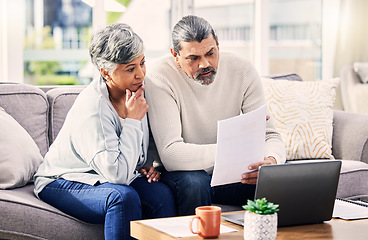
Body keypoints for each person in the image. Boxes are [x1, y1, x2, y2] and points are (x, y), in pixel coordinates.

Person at [33, 23, 176, 239]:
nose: (140, 74)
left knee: (161, 194)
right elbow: (117, 175)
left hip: (107, 175)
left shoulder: (138, 92)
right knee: (121, 197)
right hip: (63, 180)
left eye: (142, 63)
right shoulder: (93, 108)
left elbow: (148, 146)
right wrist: (132, 121)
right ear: (105, 72)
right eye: (130, 68)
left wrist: (150, 165)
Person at [145, 15, 286, 216]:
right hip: (185, 172)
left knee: (281, 177)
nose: (204, 64)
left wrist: (271, 160)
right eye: (193, 58)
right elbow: (171, 154)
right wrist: (234, 151)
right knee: (196, 183)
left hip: (232, 172)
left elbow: (271, 136)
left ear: (218, 45)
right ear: (175, 55)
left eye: (211, 53)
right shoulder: (159, 77)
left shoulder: (242, 70)